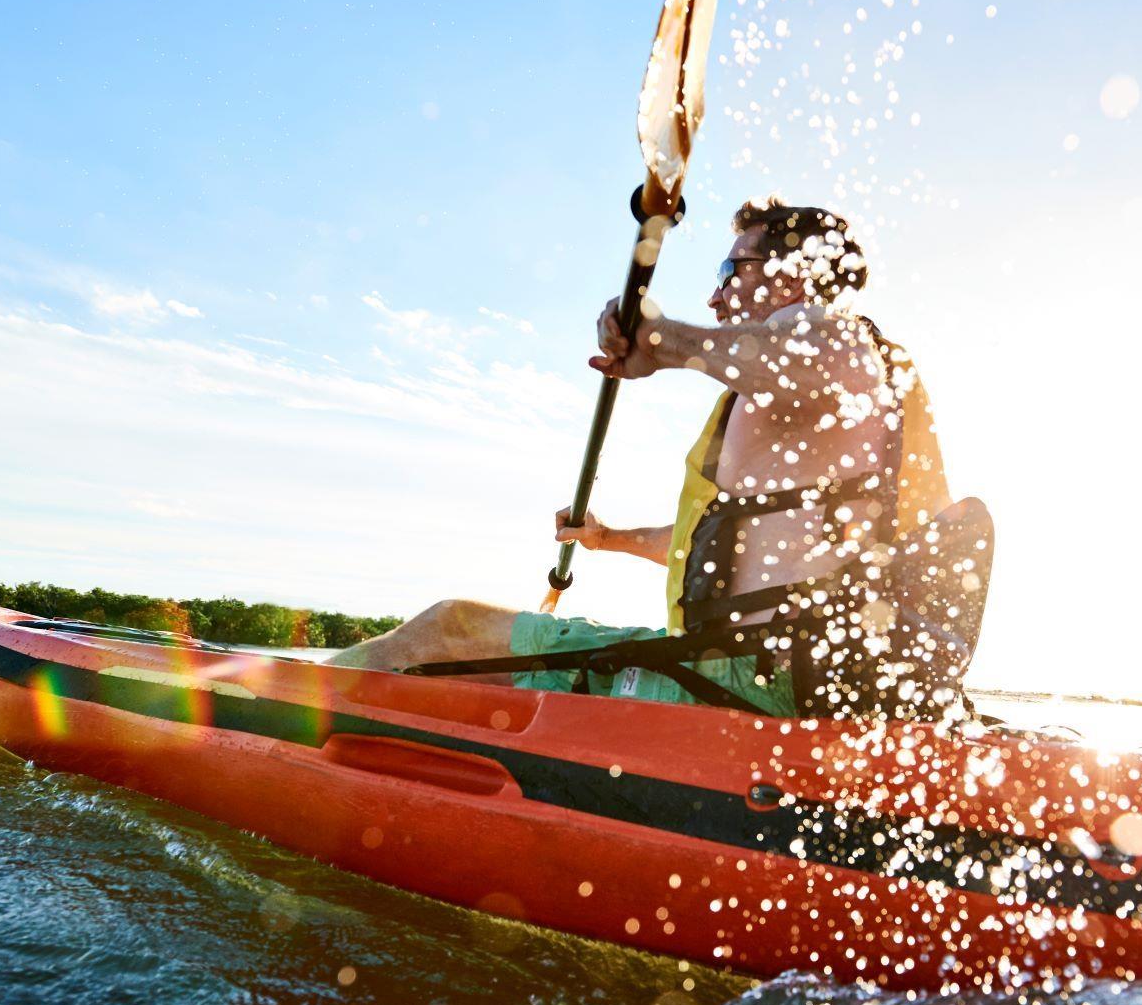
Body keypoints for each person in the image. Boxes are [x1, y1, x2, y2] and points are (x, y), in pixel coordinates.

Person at [326, 197, 974, 718]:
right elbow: (726, 553)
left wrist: (661, 340)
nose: (716, 297)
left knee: (450, 627)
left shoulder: (827, 332)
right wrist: (607, 538)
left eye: (729, 271)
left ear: (793, 272)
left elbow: (809, 362)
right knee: (462, 636)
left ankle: (286, 707)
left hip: (748, 678)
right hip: (751, 666)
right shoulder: (796, 408)